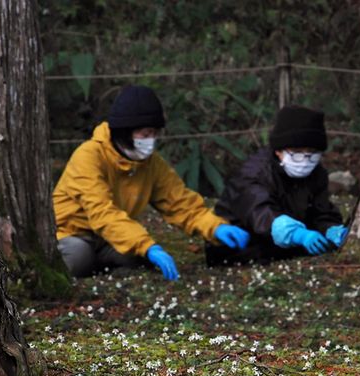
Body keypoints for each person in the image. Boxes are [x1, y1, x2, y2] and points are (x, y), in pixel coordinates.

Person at [53, 85, 250, 279]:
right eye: (145, 134)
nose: (151, 140)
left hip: (109, 239)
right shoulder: (88, 156)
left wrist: (215, 227)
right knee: (79, 258)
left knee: (138, 258)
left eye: (155, 134)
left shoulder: (151, 164)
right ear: (125, 131)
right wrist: (146, 245)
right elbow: (102, 213)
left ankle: (104, 264)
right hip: (71, 233)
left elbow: (180, 202)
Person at [206, 105, 348, 266]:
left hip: (283, 243)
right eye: (296, 152)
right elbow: (259, 211)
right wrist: (297, 234)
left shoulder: (317, 174)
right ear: (278, 151)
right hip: (240, 244)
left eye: (312, 153)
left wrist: (331, 229)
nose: (305, 160)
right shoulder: (255, 172)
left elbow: (321, 211)